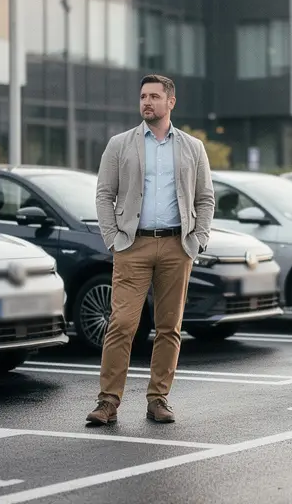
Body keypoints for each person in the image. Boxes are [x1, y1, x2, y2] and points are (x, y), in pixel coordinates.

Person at [87, 74, 215, 425]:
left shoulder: (193, 147)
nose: (147, 102)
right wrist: (113, 238)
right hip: (133, 245)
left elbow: (205, 198)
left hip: (177, 245)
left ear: (170, 102)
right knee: (122, 324)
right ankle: (108, 402)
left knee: (169, 327)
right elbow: (104, 194)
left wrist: (198, 239)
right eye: (143, 96)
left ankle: (158, 399)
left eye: (155, 96)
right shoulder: (120, 144)